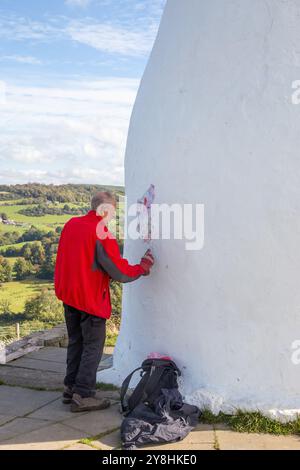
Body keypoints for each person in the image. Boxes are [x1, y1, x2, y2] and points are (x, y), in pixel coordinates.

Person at [54, 191, 154, 412]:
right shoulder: (102, 234)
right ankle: (84, 395)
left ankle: (70, 388)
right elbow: (120, 272)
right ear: (106, 210)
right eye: (113, 212)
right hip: (89, 299)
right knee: (93, 347)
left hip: (69, 295)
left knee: (76, 342)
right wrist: (142, 267)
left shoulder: (72, 224)